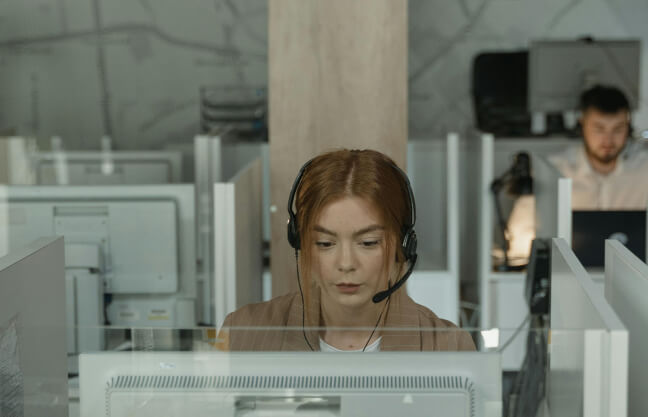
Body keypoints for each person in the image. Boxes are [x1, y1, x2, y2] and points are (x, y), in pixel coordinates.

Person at [218, 149, 475, 352]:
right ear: (300, 242)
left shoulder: (449, 347)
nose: (346, 263)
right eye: (325, 243)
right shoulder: (242, 333)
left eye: (368, 242)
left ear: (403, 245)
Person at [548, 84, 648, 209]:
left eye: (618, 129)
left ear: (629, 128)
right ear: (582, 126)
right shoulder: (556, 171)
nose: (608, 140)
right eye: (599, 129)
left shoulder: (644, 168)